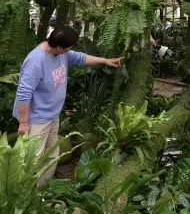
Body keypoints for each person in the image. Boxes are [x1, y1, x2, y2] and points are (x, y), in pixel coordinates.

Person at [14, 26, 123, 181]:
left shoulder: (60, 53)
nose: (70, 50)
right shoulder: (35, 61)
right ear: (59, 47)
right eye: (69, 48)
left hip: (52, 115)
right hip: (36, 119)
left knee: (51, 155)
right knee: (32, 160)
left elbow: (80, 58)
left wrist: (105, 61)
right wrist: (24, 122)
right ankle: (25, 193)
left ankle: (43, 189)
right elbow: (24, 93)